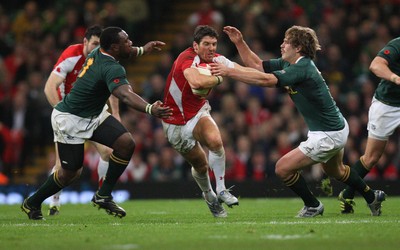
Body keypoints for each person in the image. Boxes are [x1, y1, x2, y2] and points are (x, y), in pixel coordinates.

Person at [210, 25, 386, 217]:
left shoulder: (302, 67)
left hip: (327, 134)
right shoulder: (290, 64)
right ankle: (371, 196)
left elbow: (266, 80)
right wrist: (240, 43)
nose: (282, 45)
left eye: (286, 42)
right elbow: (257, 65)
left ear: (298, 47)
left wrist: (229, 72)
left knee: (282, 168)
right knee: (338, 171)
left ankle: (313, 205)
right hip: (335, 127)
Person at [21, 26, 172, 220]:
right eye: (126, 41)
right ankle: (32, 202)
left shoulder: (97, 52)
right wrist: (151, 109)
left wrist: (143, 49)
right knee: (70, 173)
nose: (130, 43)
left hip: (93, 115)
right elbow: (125, 95)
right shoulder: (111, 67)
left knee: (126, 143)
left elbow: (128, 52)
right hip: (70, 120)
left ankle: (103, 195)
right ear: (115, 48)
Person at [162, 25, 238, 218]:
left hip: (197, 113)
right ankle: (209, 195)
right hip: (174, 121)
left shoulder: (217, 60)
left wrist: (271, 77)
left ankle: (221, 189)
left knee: (215, 141)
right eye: (206, 44)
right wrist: (221, 77)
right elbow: (197, 82)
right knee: (201, 165)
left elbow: (243, 71)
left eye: (214, 44)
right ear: (195, 46)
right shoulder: (186, 58)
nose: (211, 48)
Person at [43, 25, 117, 216]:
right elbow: (50, 87)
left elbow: (115, 87)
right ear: (85, 42)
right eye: (93, 44)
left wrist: (116, 115)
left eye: (100, 45)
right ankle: (54, 203)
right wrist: (62, 113)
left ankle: (102, 195)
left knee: (109, 151)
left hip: (94, 112)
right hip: (70, 114)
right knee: (67, 170)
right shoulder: (72, 55)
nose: (96, 49)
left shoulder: (104, 57)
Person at [338, 36, 400, 214]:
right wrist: (396, 78)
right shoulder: (398, 44)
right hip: (387, 105)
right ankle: (347, 193)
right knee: (372, 157)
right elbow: (376, 65)